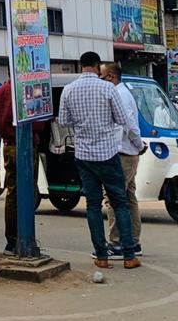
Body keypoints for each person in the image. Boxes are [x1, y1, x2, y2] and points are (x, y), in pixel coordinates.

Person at [58, 51, 144, 270]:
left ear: (80, 65)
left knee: (93, 205)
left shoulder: (68, 90)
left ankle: (101, 256)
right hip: (108, 154)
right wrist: (138, 145)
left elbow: (65, 120)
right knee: (119, 202)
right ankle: (128, 256)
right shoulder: (108, 88)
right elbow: (124, 120)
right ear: (97, 67)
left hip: (84, 156)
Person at [0, 79, 38, 254]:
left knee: (12, 192)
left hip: (8, 146)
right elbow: (40, 123)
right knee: (29, 191)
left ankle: (12, 241)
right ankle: (25, 239)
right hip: (27, 145)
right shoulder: (29, 90)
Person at [100, 62, 143, 257]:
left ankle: (117, 243)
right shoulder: (121, 93)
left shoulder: (119, 95)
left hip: (123, 153)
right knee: (128, 197)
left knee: (113, 198)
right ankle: (133, 241)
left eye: (101, 76)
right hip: (127, 151)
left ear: (110, 77)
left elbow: (129, 125)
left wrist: (138, 144)